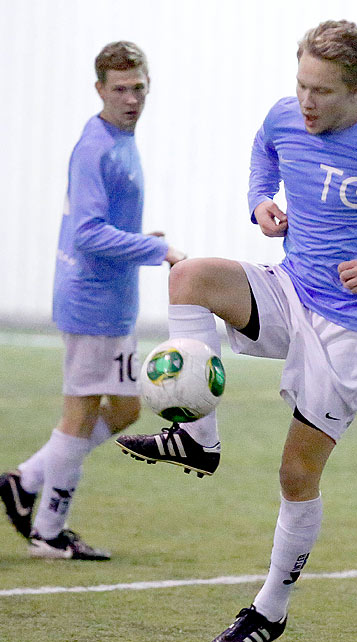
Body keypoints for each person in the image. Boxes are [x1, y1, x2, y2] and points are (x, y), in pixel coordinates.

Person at [116, 20, 357, 642]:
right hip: (292, 288)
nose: (307, 102)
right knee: (190, 276)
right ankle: (199, 439)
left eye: (324, 92)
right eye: (301, 85)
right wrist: (260, 203)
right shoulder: (286, 116)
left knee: (295, 472)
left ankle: (270, 609)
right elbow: (264, 150)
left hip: (353, 326)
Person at [0, 41, 185, 560]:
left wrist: (138, 237)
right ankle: (50, 532)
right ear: (100, 89)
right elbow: (86, 234)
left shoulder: (122, 139)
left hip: (115, 301)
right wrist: (158, 248)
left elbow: (106, 227)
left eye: (138, 89)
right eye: (120, 89)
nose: (131, 99)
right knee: (79, 415)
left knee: (126, 409)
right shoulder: (95, 147)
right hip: (90, 304)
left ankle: (26, 480)